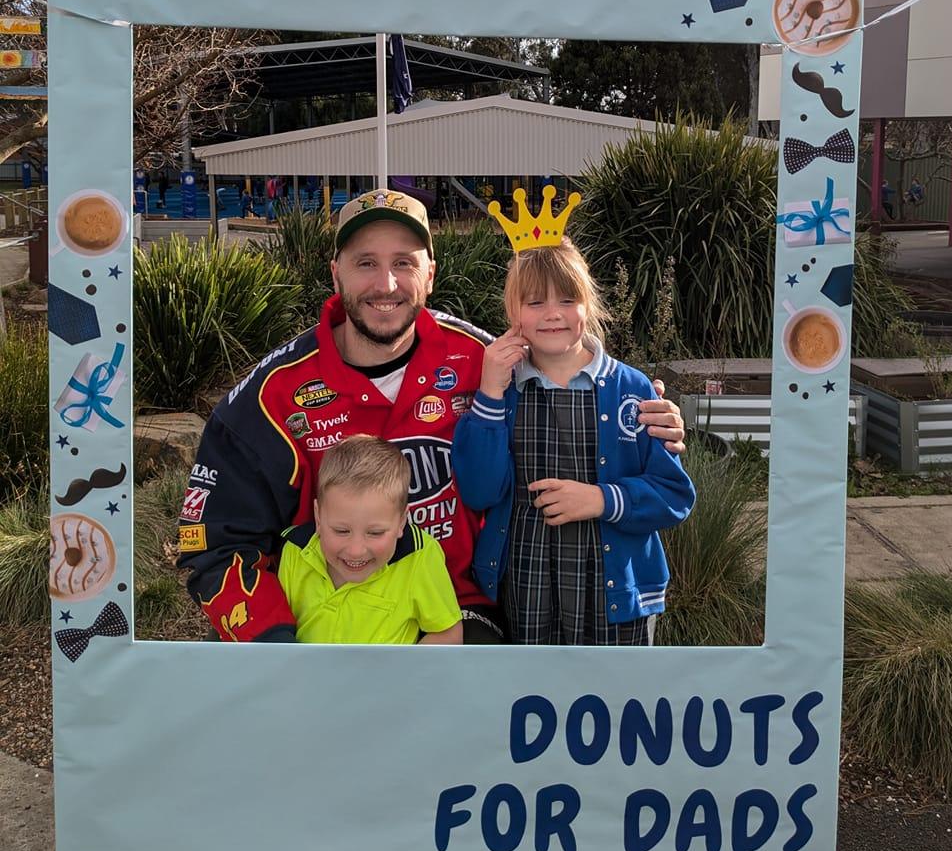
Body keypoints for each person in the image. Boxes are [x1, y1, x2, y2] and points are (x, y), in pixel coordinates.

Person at [177, 188, 687, 646]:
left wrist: (643, 408)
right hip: (329, 626)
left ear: (430, 273)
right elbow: (211, 544)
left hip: (461, 611)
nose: (387, 283)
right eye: (365, 263)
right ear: (335, 273)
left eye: (404, 262)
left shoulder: (481, 359)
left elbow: (568, 368)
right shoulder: (272, 396)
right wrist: (277, 645)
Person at [452, 238, 695, 646]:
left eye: (567, 300)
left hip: (614, 594)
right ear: (513, 313)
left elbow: (674, 496)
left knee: (615, 702)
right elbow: (478, 492)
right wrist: (489, 396)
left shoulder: (631, 389)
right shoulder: (501, 388)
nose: (552, 315)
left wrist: (602, 500)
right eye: (534, 303)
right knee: (530, 701)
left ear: (588, 305)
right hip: (526, 587)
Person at [279, 434, 462, 644]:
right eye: (341, 531)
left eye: (375, 533)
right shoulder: (295, 550)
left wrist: (402, 675)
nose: (356, 550)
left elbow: (448, 632)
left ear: (402, 521)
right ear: (318, 516)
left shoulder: (420, 557)